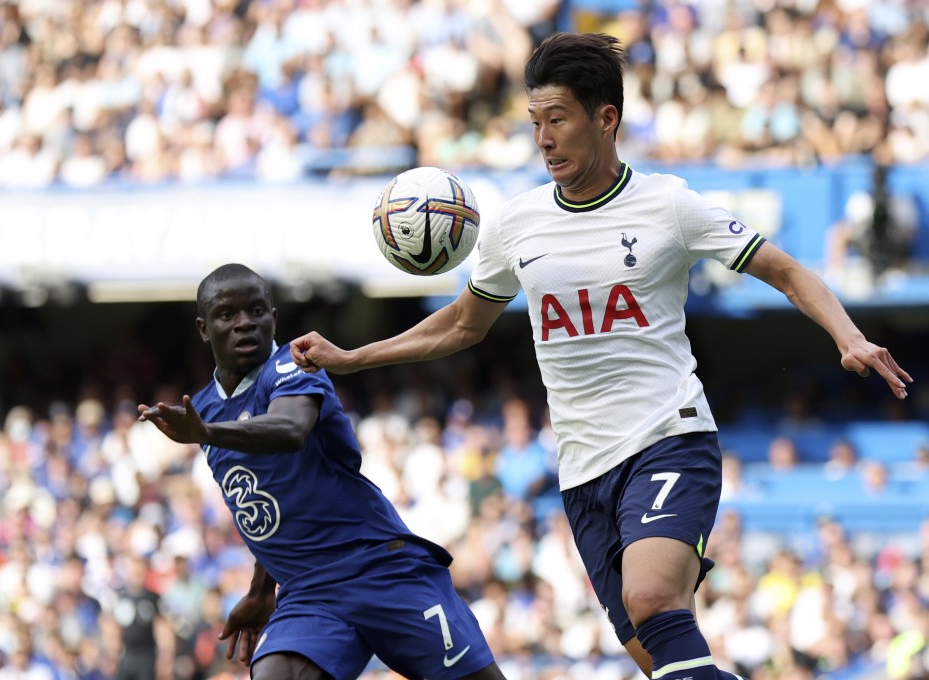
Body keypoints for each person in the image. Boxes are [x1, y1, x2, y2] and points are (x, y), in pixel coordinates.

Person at [289, 32, 913, 680]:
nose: (543, 139)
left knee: (651, 599)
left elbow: (788, 271)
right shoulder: (515, 225)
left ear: (605, 117)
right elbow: (461, 325)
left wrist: (848, 335)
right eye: (535, 122)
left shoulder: (668, 205)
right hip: (583, 472)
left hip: (669, 438)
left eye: (557, 119)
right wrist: (354, 356)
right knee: (662, 659)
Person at [137, 263, 506, 680]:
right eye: (227, 315)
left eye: (256, 311)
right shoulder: (200, 409)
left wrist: (207, 432)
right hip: (309, 594)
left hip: (378, 569)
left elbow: (290, 429)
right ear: (204, 329)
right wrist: (261, 591)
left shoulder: (293, 366)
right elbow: (266, 501)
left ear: (273, 319)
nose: (245, 324)